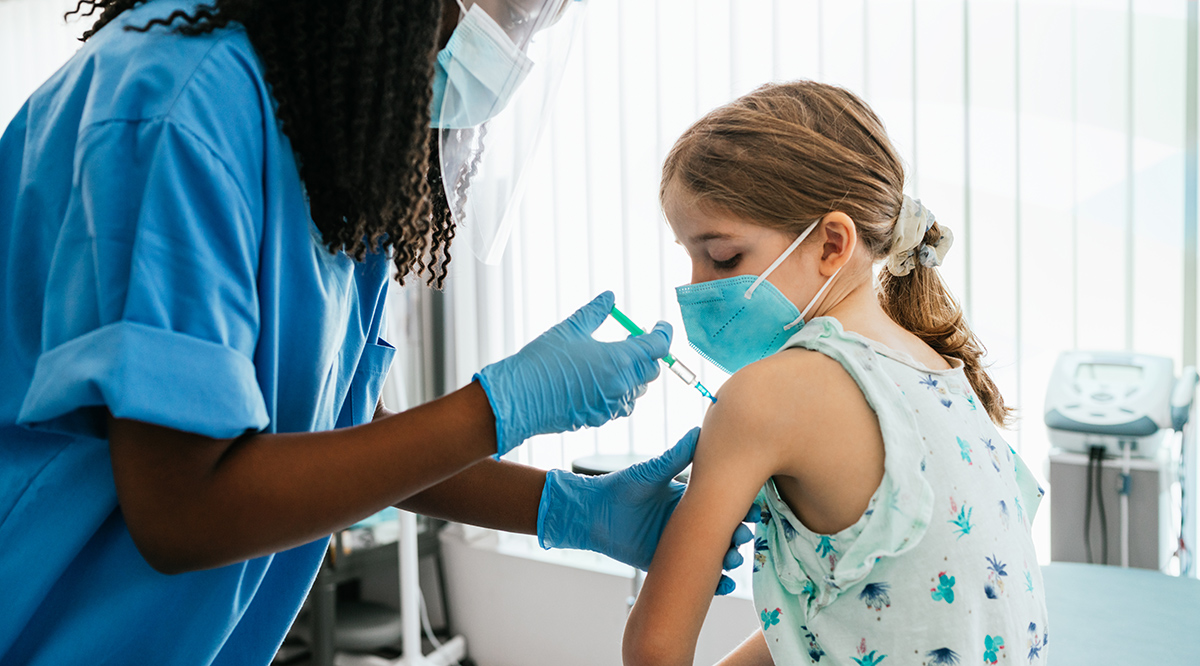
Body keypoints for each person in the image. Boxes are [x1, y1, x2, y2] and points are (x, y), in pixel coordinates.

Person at [0, 1, 751, 663]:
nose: (507, 51)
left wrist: (568, 510)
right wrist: (497, 409)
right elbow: (181, 510)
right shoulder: (179, 111)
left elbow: (341, 436)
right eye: (507, 15)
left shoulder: (325, 134)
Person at [622, 80, 1048, 666]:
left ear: (831, 243)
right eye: (689, 255)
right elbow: (855, 622)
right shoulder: (938, 369)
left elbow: (655, 651)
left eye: (722, 257)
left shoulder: (763, 398)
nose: (697, 287)